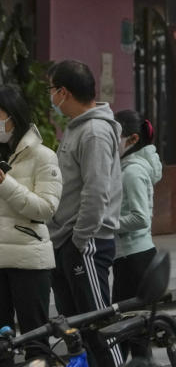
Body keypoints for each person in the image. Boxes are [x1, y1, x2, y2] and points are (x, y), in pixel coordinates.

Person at [0, 85, 62, 359]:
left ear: (14, 116)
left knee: (35, 340)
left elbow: (45, 209)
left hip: (29, 261)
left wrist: (4, 183)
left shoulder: (43, 156)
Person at [48, 60, 122, 367]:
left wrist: (79, 241)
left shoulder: (94, 132)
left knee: (98, 325)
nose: (51, 97)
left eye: (51, 90)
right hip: (67, 242)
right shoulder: (78, 128)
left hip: (85, 243)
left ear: (63, 92)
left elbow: (96, 192)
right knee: (76, 329)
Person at [113, 109, 161, 358]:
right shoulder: (127, 167)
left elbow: (141, 217)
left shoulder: (132, 172)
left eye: (115, 135)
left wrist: (107, 223)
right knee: (129, 329)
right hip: (130, 257)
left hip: (135, 258)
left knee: (131, 330)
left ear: (132, 139)